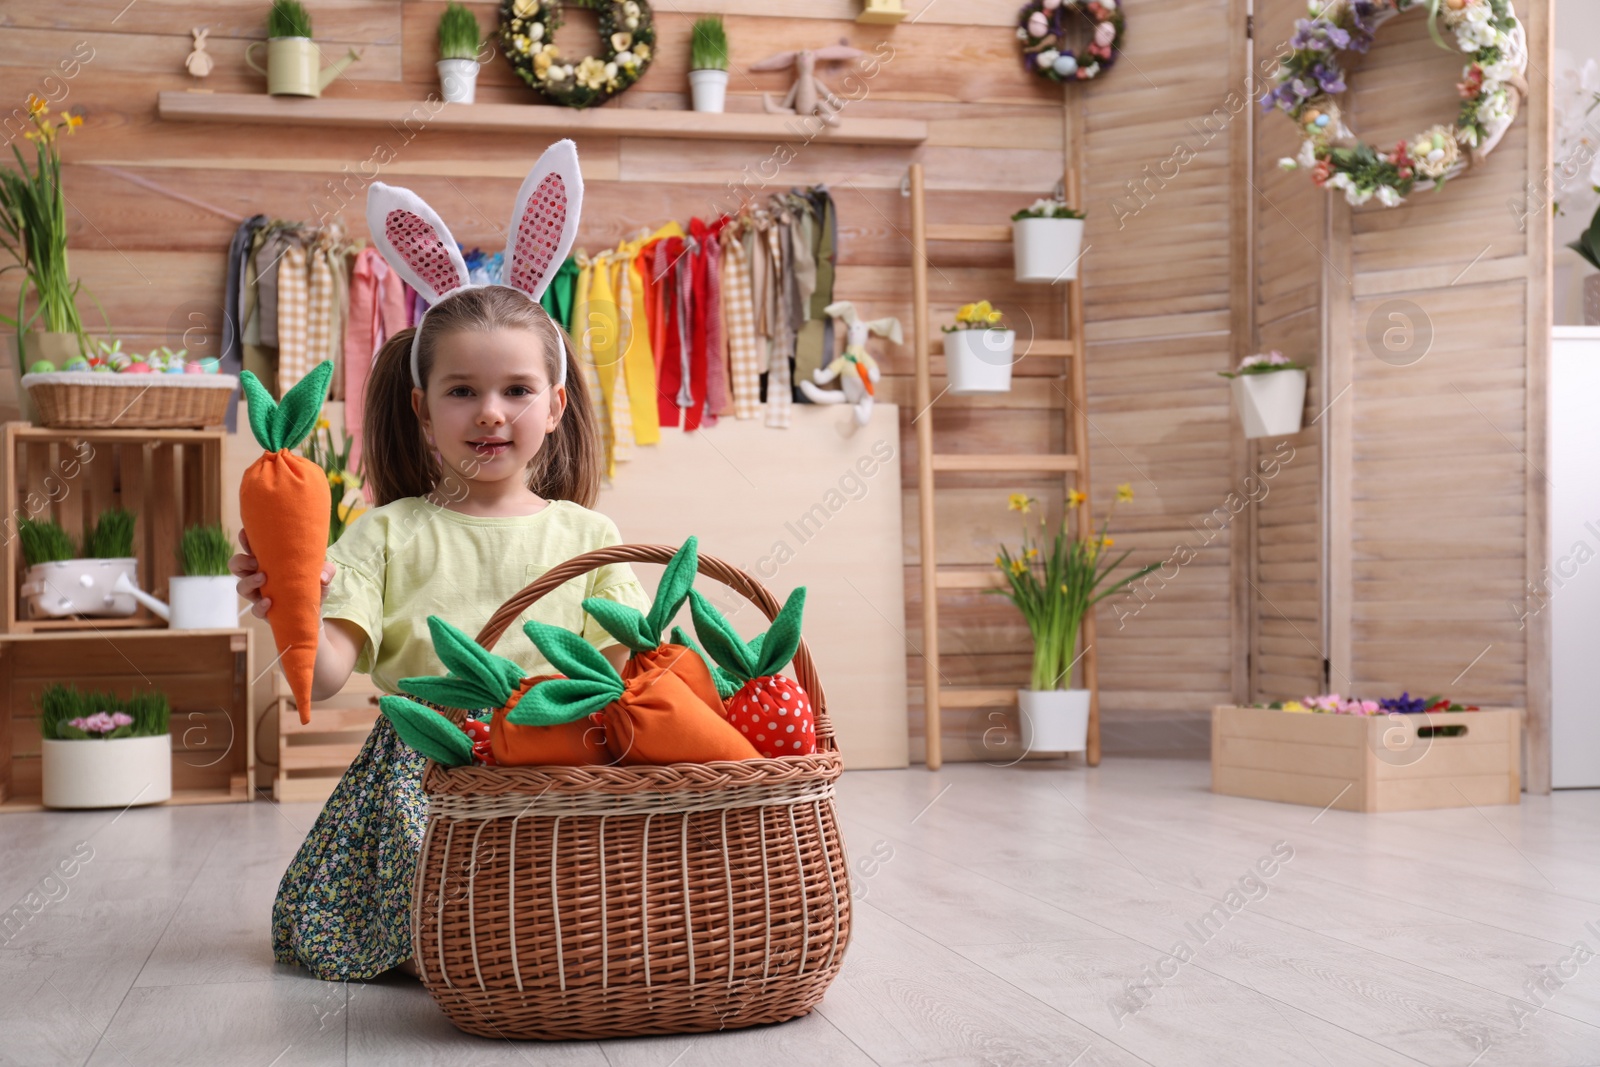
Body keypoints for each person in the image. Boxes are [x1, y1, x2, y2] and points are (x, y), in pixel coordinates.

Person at [231, 284, 650, 981]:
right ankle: (468, 941)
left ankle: (523, 935)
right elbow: (327, 672)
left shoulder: (588, 535)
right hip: (424, 766)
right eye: (462, 391)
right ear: (423, 411)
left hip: (552, 753)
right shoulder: (385, 533)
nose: (490, 412)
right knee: (442, 861)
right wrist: (287, 602)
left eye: (517, 388)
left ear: (555, 405)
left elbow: (621, 667)